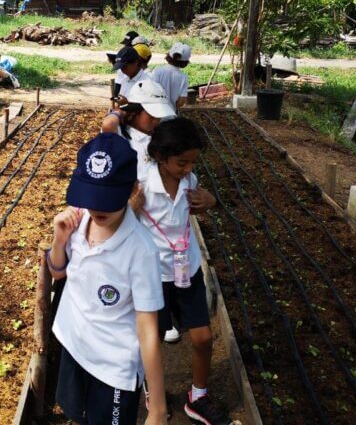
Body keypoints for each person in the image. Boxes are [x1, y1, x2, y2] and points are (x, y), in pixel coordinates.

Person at [49, 133, 167, 425]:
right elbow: (58, 272)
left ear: (132, 190)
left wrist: (157, 408)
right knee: (76, 415)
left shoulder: (141, 250)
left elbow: (148, 330)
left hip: (114, 366)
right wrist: (59, 239)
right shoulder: (77, 221)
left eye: (108, 198)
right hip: (74, 345)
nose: (98, 208)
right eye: (92, 196)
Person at [131, 118, 228, 425]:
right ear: (160, 157)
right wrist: (132, 206)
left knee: (201, 337)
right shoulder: (142, 183)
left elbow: (198, 205)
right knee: (154, 339)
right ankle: (154, 392)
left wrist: (211, 202)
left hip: (187, 269)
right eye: (181, 162)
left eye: (192, 162)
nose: (187, 169)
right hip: (152, 276)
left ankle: (197, 397)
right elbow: (121, 220)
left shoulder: (190, 181)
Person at [101, 80, 175, 182]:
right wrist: (119, 111)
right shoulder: (121, 134)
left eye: (159, 116)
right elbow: (107, 125)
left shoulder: (160, 132)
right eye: (152, 115)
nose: (156, 120)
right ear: (135, 111)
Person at [150, 42, 191, 111]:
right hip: (171, 114)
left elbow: (150, 91)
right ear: (185, 62)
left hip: (155, 114)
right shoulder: (184, 78)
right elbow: (180, 102)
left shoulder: (157, 71)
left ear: (168, 55)